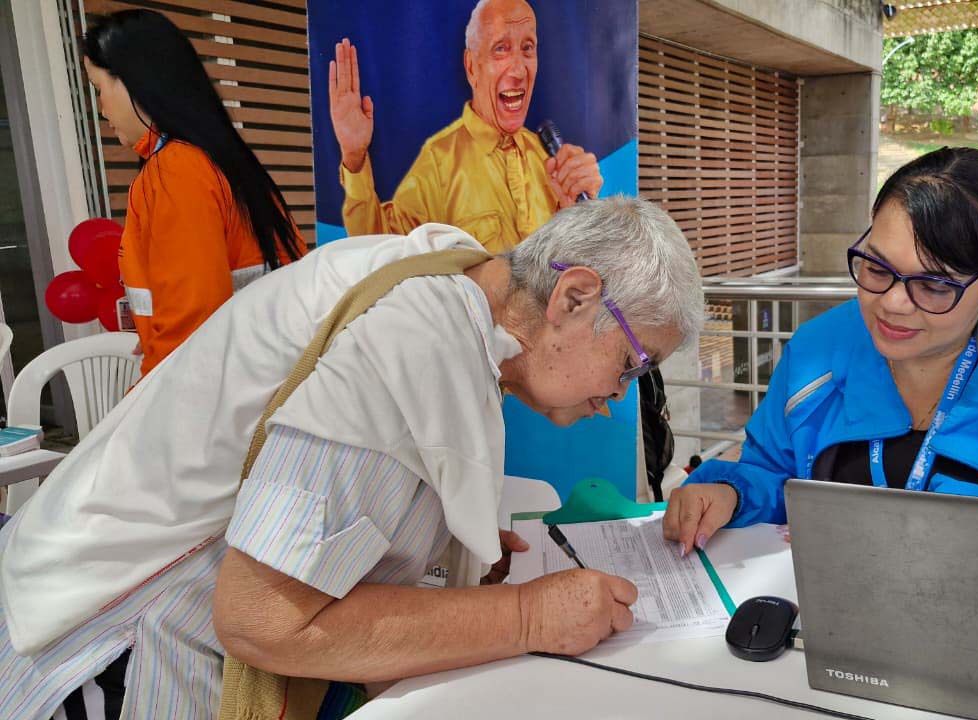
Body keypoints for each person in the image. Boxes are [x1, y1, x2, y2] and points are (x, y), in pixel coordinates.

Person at [0, 196, 703, 720]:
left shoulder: (449, 276)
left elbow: (355, 478)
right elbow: (264, 620)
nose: (618, 396)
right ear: (575, 296)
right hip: (117, 652)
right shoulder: (413, 341)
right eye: (634, 365)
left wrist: (441, 543)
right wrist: (527, 617)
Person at [663, 147, 978, 555]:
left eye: (933, 286)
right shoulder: (824, 345)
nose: (891, 304)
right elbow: (774, 473)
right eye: (876, 267)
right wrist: (730, 493)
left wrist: (916, 538)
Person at [83, 9, 306, 378]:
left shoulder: (175, 170)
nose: (101, 106)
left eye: (99, 88)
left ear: (133, 82)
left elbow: (192, 332)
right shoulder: (216, 157)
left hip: (225, 393)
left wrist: (144, 404)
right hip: (264, 377)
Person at [329, 0, 604, 251]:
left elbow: (576, 268)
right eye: (501, 49)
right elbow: (379, 248)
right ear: (472, 67)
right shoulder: (440, 161)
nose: (519, 70)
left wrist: (577, 214)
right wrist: (354, 157)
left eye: (527, 48)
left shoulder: (548, 159)